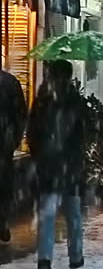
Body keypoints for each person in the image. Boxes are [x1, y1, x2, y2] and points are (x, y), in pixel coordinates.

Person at [28, 60, 86, 269]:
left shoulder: (42, 100)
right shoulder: (75, 99)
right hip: (70, 167)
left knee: (47, 216)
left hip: (48, 168)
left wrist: (41, 156)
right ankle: (76, 257)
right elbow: (81, 135)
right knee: (74, 215)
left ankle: (45, 259)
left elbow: (32, 134)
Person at [0, 68, 27, 243]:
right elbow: (21, 114)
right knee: (3, 186)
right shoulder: (10, 82)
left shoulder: (9, 82)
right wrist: (14, 139)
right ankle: (2, 223)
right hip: (4, 145)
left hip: (5, 143)